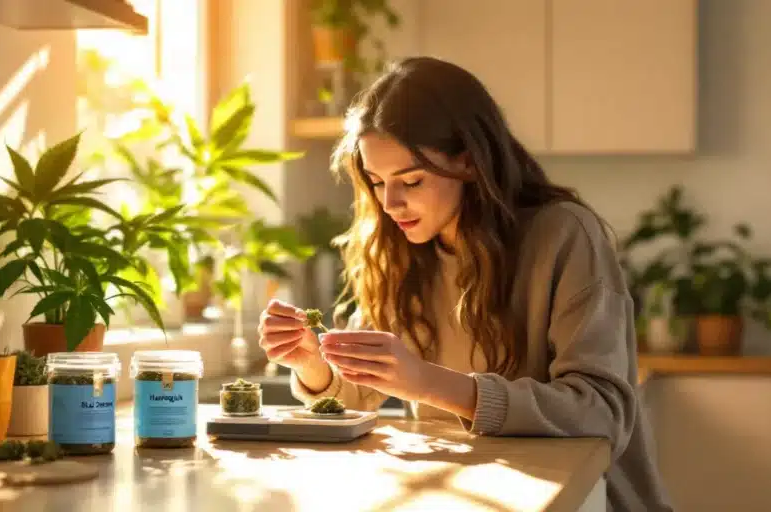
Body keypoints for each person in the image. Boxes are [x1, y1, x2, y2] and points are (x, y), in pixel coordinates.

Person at [257, 57, 673, 511]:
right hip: (469, 497)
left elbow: (601, 410)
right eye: (377, 182)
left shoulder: (563, 236)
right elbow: (362, 394)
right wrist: (313, 366)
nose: (391, 203)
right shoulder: (398, 251)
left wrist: (427, 382)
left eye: (411, 180)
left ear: (470, 163)